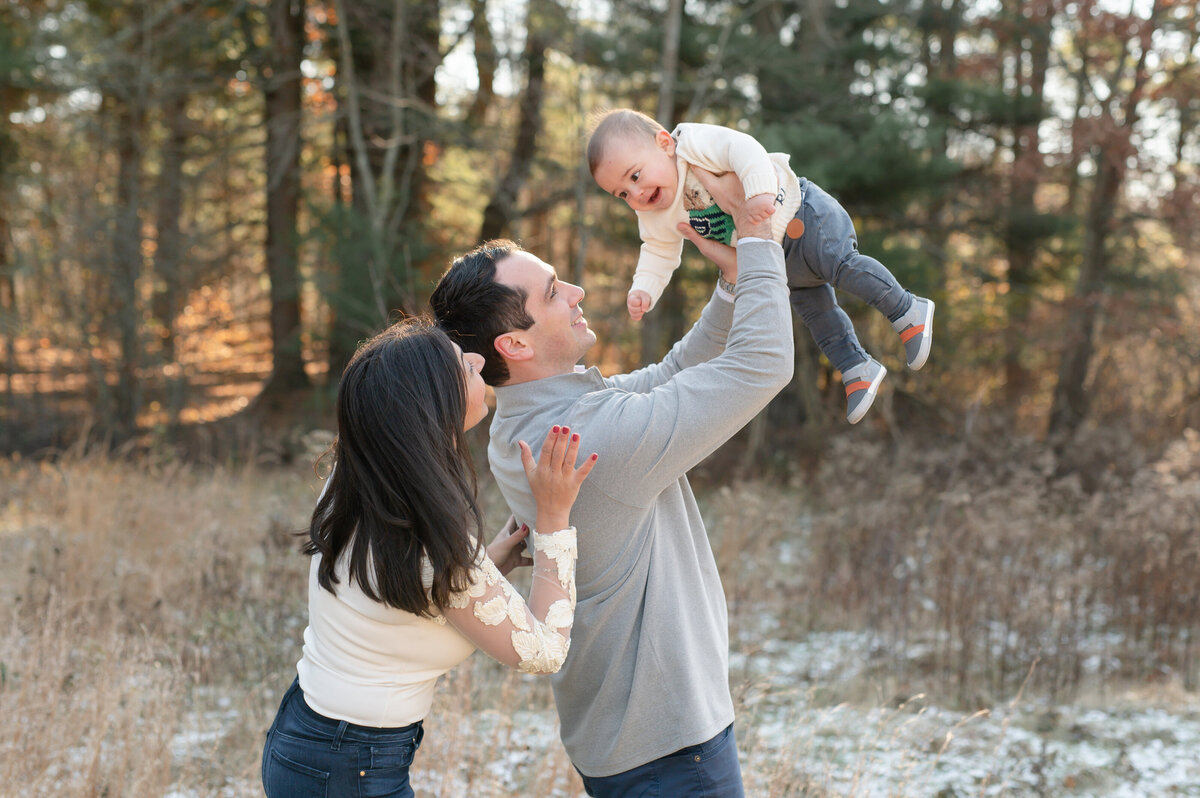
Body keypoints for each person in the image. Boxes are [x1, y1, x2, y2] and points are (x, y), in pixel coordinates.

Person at [430, 169, 792, 797]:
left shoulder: (529, 419)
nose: (575, 291)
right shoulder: (586, 439)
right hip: (672, 752)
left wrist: (733, 283)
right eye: (551, 292)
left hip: (629, 740)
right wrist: (761, 243)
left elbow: (671, 375)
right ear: (514, 343)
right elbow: (762, 365)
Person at [261, 317, 597, 798]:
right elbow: (543, 651)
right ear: (431, 402)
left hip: (313, 741)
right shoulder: (433, 543)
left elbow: (403, 596)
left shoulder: (361, 477)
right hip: (349, 765)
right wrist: (554, 518)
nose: (479, 358)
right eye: (462, 362)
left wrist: (489, 563)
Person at [587, 107, 936, 424]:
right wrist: (644, 289)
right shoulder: (652, 215)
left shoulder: (691, 144)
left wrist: (757, 194)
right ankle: (856, 366)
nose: (636, 195)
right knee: (815, 312)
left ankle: (907, 309)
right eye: (622, 194)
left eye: (634, 177)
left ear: (664, 143)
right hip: (775, 258)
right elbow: (658, 251)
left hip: (800, 213)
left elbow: (743, 148)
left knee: (841, 265)